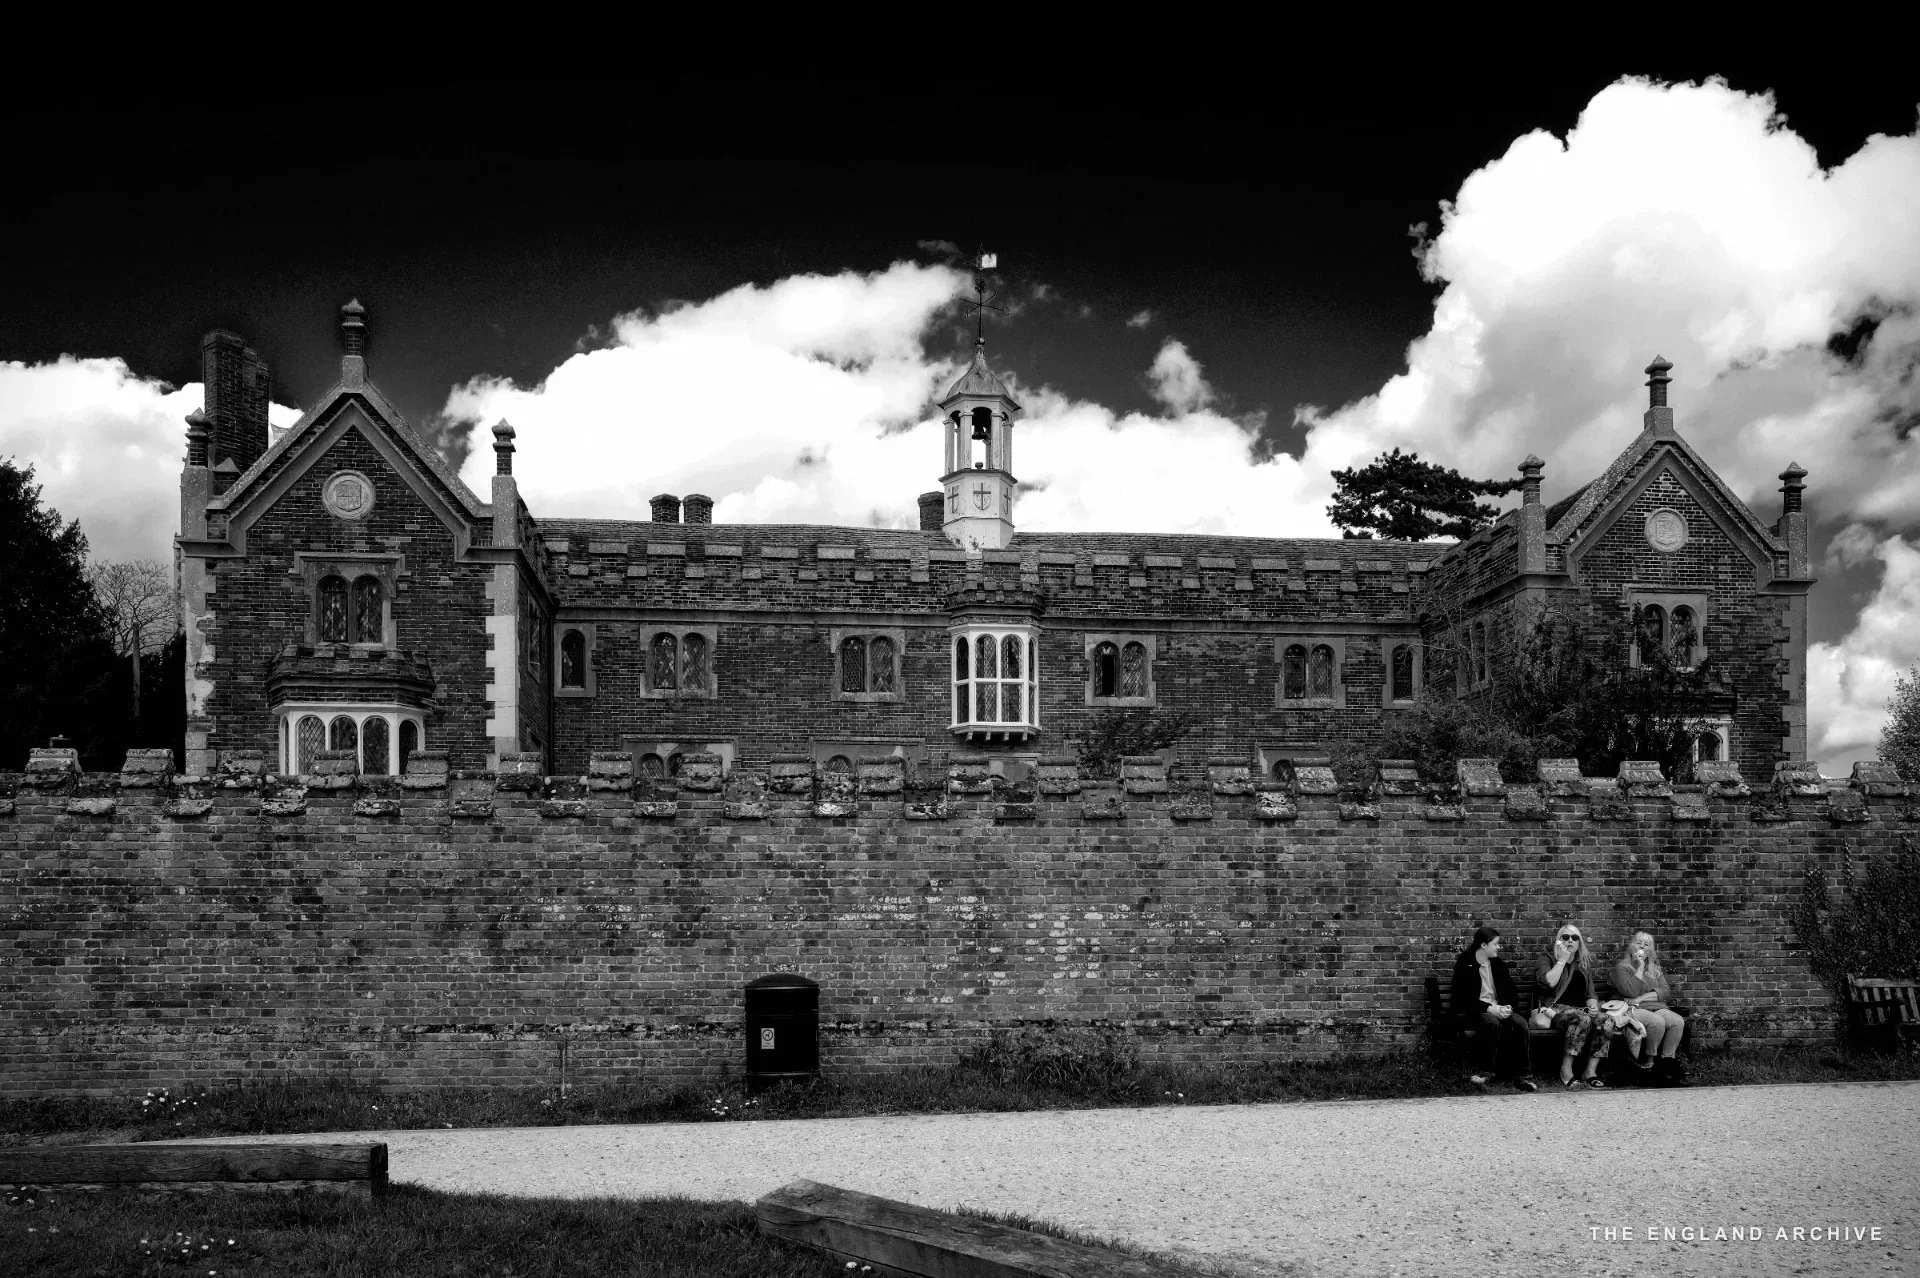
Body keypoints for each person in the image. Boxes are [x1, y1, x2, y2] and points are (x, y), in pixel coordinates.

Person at [1449, 926, 1538, 1092]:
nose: (1499, 947)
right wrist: (1490, 1008)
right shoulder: (1465, 963)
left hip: (1498, 1009)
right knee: (1490, 1021)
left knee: (1520, 1023)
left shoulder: (1497, 964)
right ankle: (1486, 1072)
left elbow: (1511, 990)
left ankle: (1524, 1076)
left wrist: (1508, 1006)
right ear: (1483, 945)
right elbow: (1463, 998)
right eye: (1495, 944)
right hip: (1474, 1012)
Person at [1533, 923, 1622, 1088]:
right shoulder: (1547, 959)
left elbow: (1590, 994)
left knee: (1607, 1020)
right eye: (1565, 937)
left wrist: (1593, 1006)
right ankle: (1566, 1069)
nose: (1570, 941)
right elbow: (1547, 984)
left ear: (1579, 943)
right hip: (1555, 1009)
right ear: (1559, 941)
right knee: (1582, 1018)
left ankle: (1590, 1071)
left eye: (1575, 938)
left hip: (1582, 1011)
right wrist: (1561, 960)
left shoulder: (1582, 966)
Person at [1613, 931, 1689, 1087]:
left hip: (1653, 1006)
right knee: (1657, 1021)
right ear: (1631, 946)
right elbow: (1630, 992)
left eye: (1646, 944)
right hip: (1632, 1008)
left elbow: (1665, 991)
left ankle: (1668, 1063)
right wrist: (1640, 967)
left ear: (1650, 950)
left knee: (1677, 1021)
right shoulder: (1622, 967)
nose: (1642, 946)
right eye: (1638, 943)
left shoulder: (1654, 969)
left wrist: (1641, 998)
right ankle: (1649, 1061)